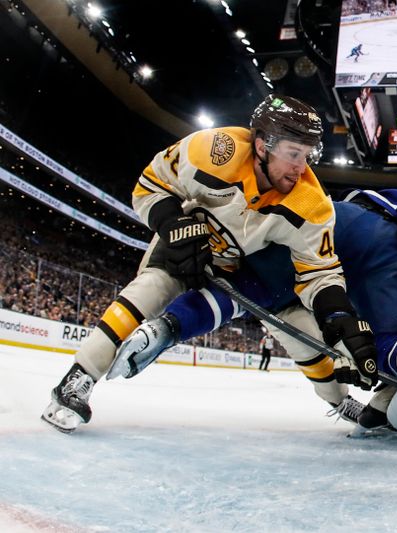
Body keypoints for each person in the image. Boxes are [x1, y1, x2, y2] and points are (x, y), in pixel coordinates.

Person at [41, 95, 379, 433]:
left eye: (308, 156)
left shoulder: (312, 203)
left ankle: (339, 400)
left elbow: (319, 272)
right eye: (293, 154)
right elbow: (150, 186)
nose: (301, 168)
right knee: (148, 290)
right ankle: (77, 378)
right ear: (262, 145)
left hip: (244, 272)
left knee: (306, 336)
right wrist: (173, 225)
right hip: (186, 243)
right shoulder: (214, 149)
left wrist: (340, 317)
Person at [109, 190, 397, 444]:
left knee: (246, 293)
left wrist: (172, 322)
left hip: (323, 226)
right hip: (381, 253)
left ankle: (166, 327)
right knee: (393, 339)